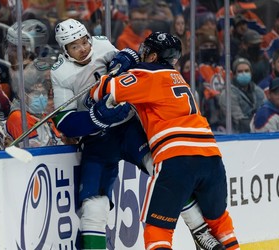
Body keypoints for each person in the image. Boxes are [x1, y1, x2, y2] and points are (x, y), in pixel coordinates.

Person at [51, 19, 224, 250]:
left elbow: (136, 61)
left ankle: (200, 231)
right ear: (65, 50)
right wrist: (96, 118)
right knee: (93, 207)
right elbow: (65, 122)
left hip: (129, 127)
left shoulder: (102, 45)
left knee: (165, 171)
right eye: (75, 46)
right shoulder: (60, 73)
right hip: (97, 139)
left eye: (84, 41)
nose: (83, 48)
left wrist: (126, 57)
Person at [91, 32, 240, 250]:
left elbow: (101, 92)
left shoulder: (146, 74)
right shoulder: (178, 78)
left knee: (158, 230)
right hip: (211, 158)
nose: (142, 54)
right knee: (219, 223)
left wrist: (114, 72)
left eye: (146, 51)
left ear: (152, 56)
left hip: (177, 158)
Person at [6, 61, 64, 147]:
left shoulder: (42, 115)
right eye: (36, 94)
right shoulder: (19, 117)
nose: (41, 97)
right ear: (22, 95)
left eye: (44, 93)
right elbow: (34, 152)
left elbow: (59, 142)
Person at [219, 57, 265, 133]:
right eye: (240, 72)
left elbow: (264, 111)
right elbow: (239, 120)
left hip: (257, 130)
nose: (244, 74)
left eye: (247, 71)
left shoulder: (258, 91)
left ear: (251, 72)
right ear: (234, 74)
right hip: (234, 134)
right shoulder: (227, 94)